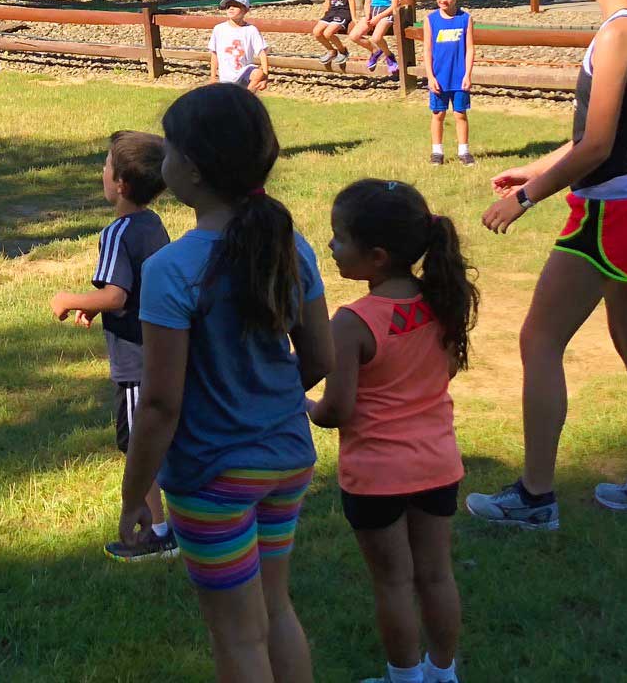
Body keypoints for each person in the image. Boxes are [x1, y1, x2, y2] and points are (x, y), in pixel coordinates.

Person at [468, 0, 627, 530]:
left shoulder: (618, 33)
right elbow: (607, 137)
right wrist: (535, 166)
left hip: (612, 210)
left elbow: (594, 148)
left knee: (539, 340)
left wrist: (528, 195)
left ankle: (535, 499)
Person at [117, 83, 333, 683]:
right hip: (288, 459)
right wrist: (270, 400)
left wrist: (135, 495)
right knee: (275, 607)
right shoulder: (294, 247)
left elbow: (160, 403)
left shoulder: (170, 270)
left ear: (190, 169)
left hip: (212, 477)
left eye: (168, 152)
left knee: (237, 637)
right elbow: (319, 355)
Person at [308, 179, 474, 683]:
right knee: (436, 574)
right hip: (437, 465)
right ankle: (442, 674)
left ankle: (404, 679)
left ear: (377, 256)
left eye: (339, 238)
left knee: (394, 584)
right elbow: (441, 372)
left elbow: (337, 409)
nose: (330, 247)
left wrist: (304, 405)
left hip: (377, 476)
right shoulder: (443, 298)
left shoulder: (353, 321)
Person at [47, 130, 176, 562]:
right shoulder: (152, 225)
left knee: (141, 445)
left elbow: (117, 294)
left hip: (137, 362)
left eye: (105, 165)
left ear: (120, 183)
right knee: (159, 441)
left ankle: (158, 531)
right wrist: (98, 307)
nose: (101, 172)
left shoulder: (118, 232)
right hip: (164, 354)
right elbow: (138, 287)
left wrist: (72, 300)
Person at [424, 0, 475, 166]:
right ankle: (437, 152)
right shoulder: (431, 20)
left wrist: (467, 74)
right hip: (439, 77)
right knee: (438, 114)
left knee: (460, 113)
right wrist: (430, 76)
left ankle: (464, 151)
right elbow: (427, 50)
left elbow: (470, 48)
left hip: (459, 77)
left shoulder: (465, 19)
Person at [352, 0, 402, 77]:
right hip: (372, 13)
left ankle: (389, 56)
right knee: (354, 36)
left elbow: (394, 6)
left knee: (376, 38)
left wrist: (378, 18)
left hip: (386, 14)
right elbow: (367, 2)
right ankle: (375, 51)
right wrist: (368, 15)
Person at [210, 0, 271, 91]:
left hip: (244, 72)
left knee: (258, 73)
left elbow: (262, 53)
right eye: (228, 6)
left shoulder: (251, 30)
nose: (231, 8)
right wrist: (213, 76)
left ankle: (247, 97)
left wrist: (265, 77)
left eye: (235, 6)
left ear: (245, 10)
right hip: (226, 76)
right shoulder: (219, 29)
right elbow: (214, 53)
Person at [310, 0, 360, 67]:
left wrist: (354, 17)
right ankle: (331, 51)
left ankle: (343, 51)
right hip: (332, 12)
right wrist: (325, 14)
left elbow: (351, 0)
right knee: (316, 32)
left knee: (328, 33)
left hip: (343, 12)